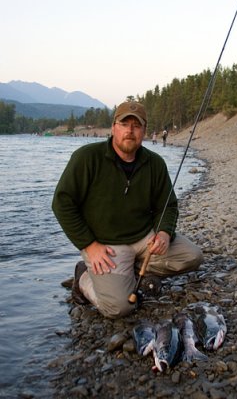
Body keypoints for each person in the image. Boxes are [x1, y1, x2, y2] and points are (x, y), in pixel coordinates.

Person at [52, 101, 203, 319]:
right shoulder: (86, 158)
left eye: (136, 125)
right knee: (120, 308)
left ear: (144, 131)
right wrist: (89, 245)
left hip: (145, 239)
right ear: (113, 127)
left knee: (193, 257)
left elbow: (168, 205)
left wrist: (163, 232)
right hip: (105, 246)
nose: (129, 131)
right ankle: (84, 278)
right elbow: (62, 203)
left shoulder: (155, 163)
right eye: (124, 124)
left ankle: (126, 273)